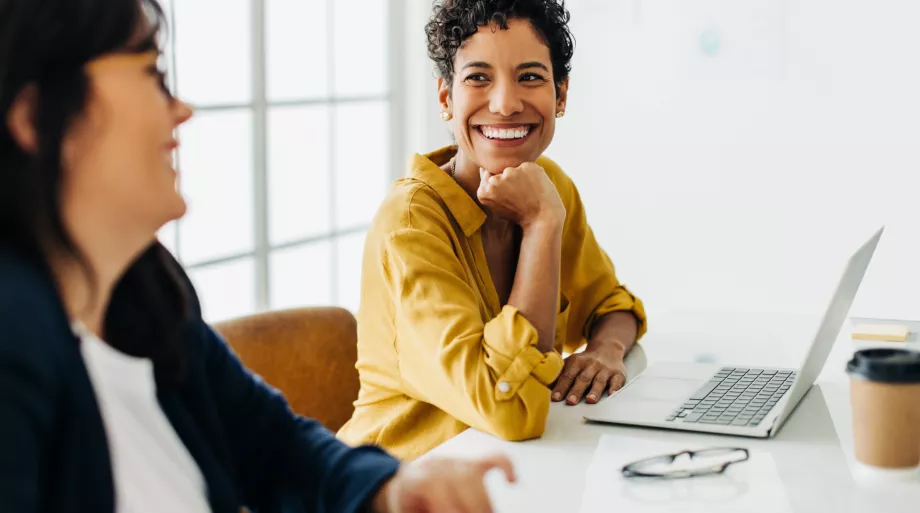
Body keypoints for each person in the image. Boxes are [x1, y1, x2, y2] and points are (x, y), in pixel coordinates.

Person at [0, 0, 514, 511]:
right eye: (151, 74)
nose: (181, 109)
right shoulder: (14, 343)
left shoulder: (147, 293)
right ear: (39, 116)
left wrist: (390, 489)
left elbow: (272, 445)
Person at [338, 0, 647, 460]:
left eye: (530, 77)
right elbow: (510, 408)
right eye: (478, 77)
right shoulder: (410, 225)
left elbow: (612, 305)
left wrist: (605, 349)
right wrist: (541, 225)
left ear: (560, 95)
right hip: (405, 484)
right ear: (446, 97)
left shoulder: (550, 185)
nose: (504, 104)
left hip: (519, 472)